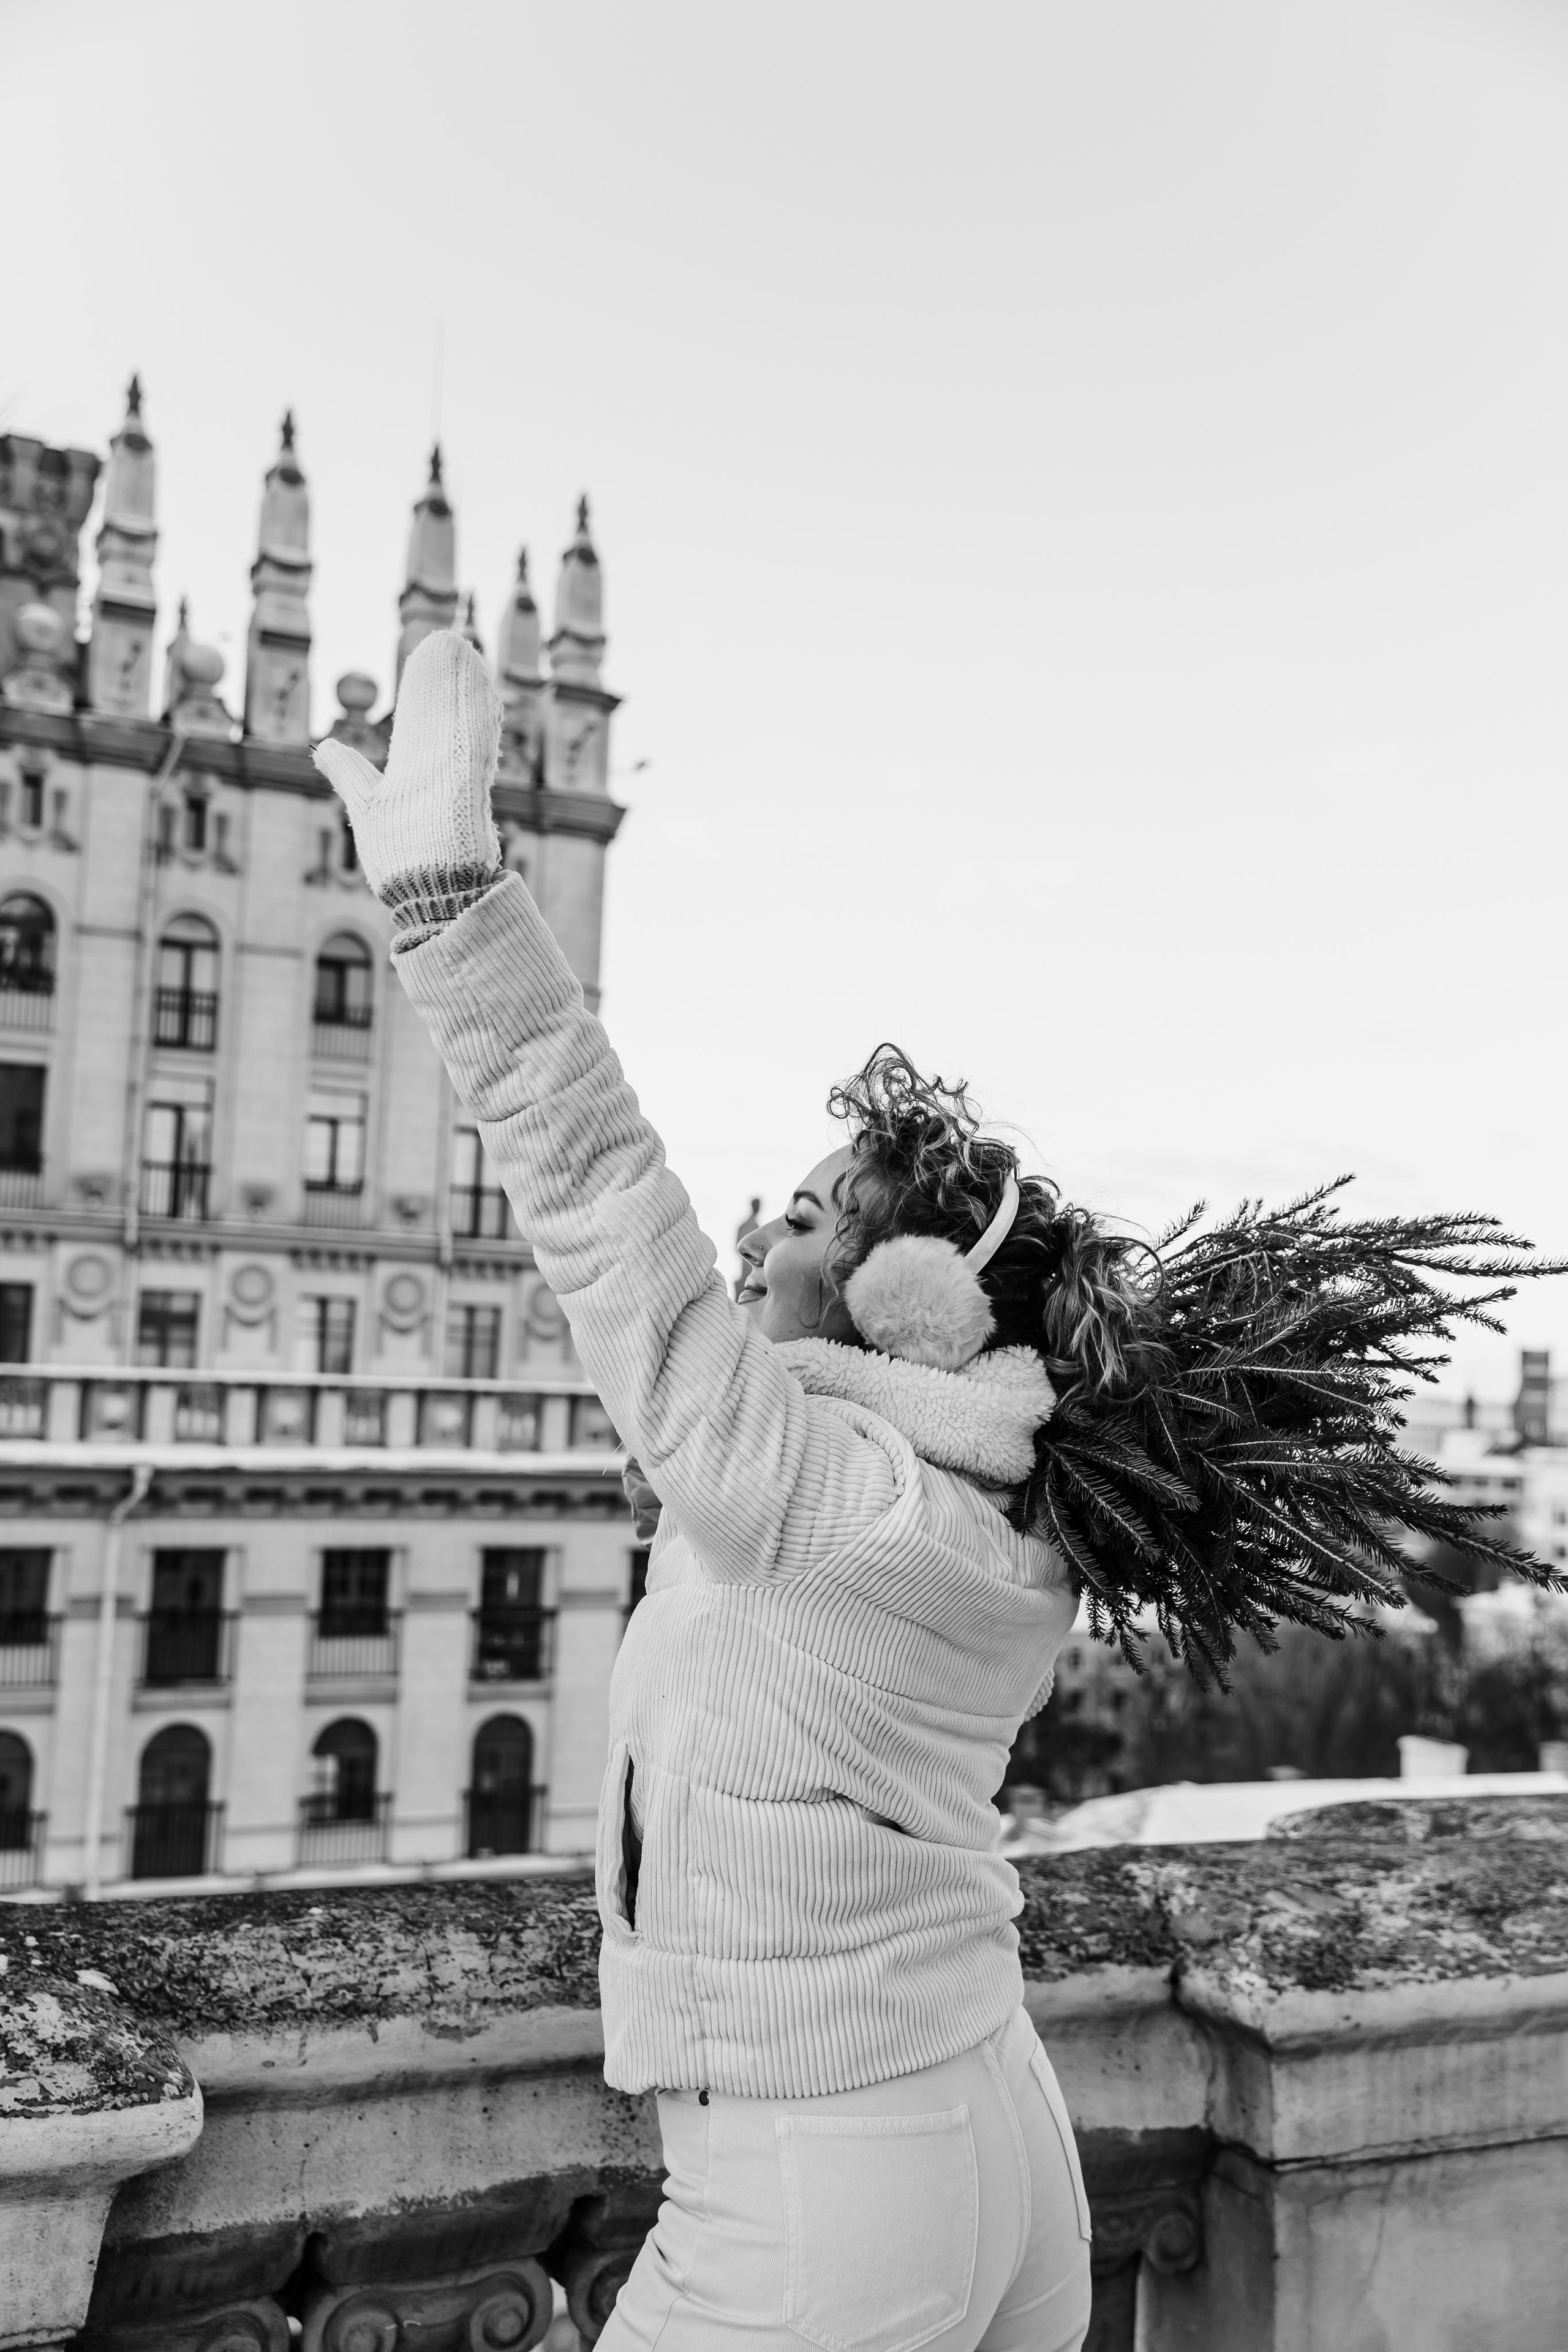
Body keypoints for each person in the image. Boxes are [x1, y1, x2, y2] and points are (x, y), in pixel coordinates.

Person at [317, 631, 1099, 2351]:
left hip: (830, 2174)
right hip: (992, 2119)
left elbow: (603, 1190)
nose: (756, 1228)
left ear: (913, 1306)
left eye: (808, 1217)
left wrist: (456, 904)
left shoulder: (821, 1491)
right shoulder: (990, 1510)